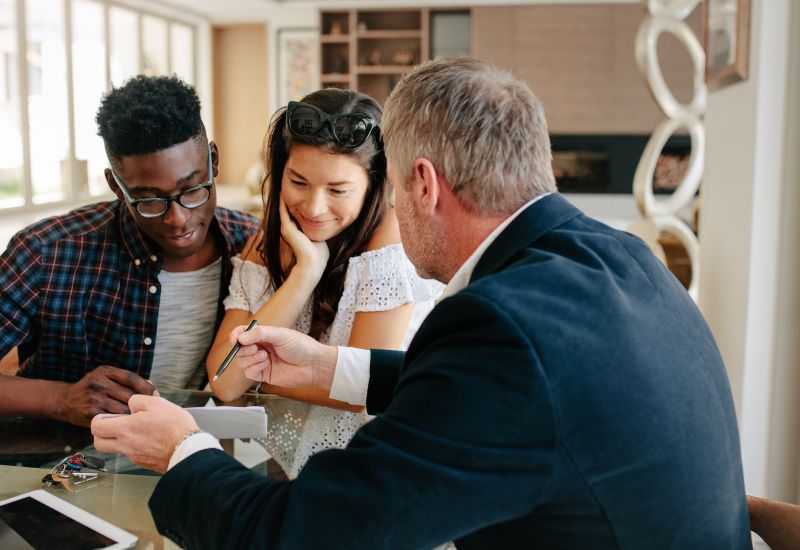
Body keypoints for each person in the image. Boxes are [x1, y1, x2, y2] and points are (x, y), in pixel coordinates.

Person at [92, 57, 751, 548]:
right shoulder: (622, 257)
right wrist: (329, 368)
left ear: (423, 184)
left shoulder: (501, 326)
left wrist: (182, 450)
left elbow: (305, 538)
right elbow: (521, 397)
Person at [204, 88, 442, 477]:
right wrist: (304, 274)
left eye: (338, 190)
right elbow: (225, 382)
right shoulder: (264, 245)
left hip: (377, 466)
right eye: (298, 182)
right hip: (289, 462)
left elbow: (359, 388)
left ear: (373, 186)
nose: (314, 208)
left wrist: (260, 380)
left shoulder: (391, 247)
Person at [0, 75, 258, 426]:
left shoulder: (252, 247)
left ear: (213, 160)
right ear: (116, 187)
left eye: (193, 188)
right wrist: (60, 398)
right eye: (150, 200)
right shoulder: (48, 251)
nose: (179, 219)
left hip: (184, 459)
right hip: (56, 463)